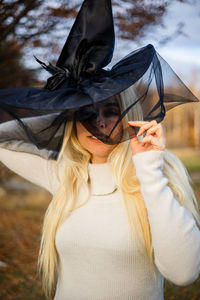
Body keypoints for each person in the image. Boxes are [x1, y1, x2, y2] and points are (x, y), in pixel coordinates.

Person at [0, 86, 200, 300]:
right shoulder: (64, 174)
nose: (99, 123)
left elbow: (183, 273)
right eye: (87, 112)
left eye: (111, 111)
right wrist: (66, 119)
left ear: (128, 116)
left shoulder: (155, 168)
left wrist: (149, 172)